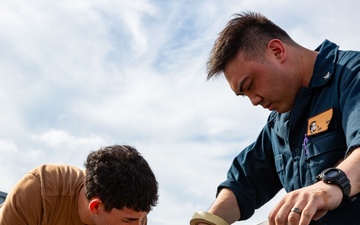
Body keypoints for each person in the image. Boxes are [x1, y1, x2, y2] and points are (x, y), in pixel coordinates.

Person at [190, 11, 360, 225]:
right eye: (244, 95)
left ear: (277, 51)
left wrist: (330, 186)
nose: (253, 101)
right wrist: (211, 220)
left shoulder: (352, 75)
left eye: (250, 85)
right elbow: (243, 182)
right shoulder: (278, 125)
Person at [0, 144, 159, 225]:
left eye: (142, 218)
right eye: (128, 221)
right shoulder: (39, 191)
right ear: (95, 207)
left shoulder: (134, 213)